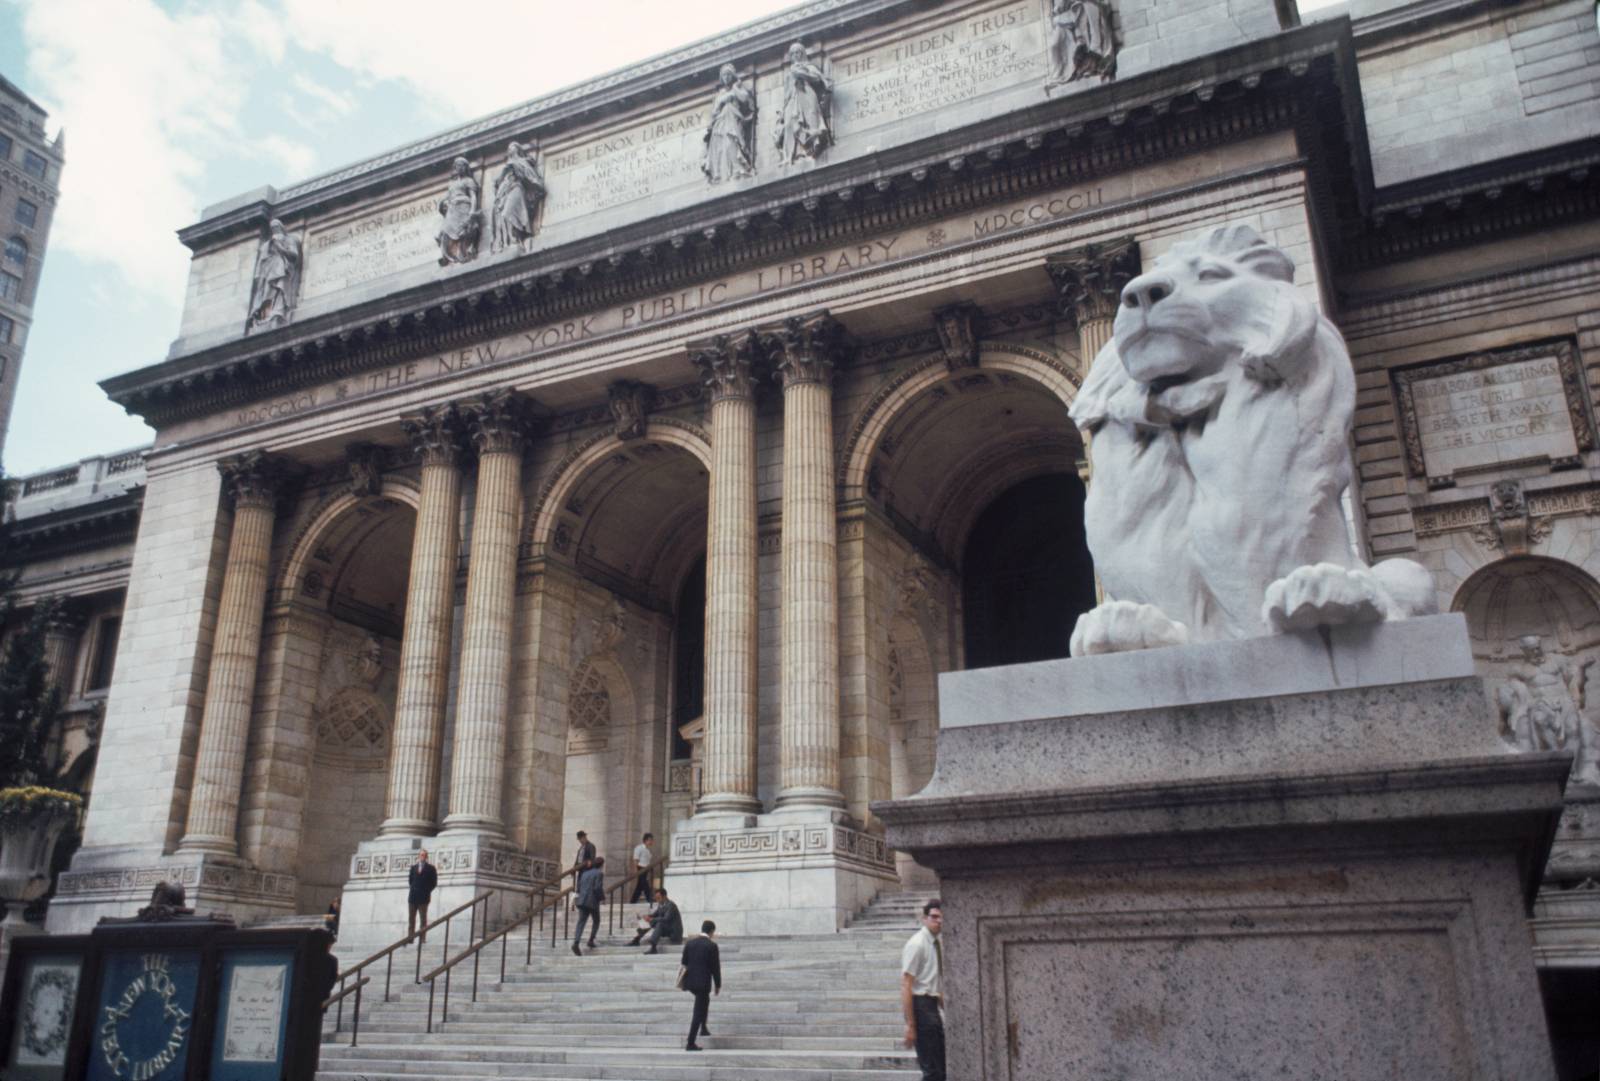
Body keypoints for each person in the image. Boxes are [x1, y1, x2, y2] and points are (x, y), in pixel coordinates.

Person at [900, 899, 945, 1081]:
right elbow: (906, 984)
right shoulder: (917, 944)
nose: (939, 921)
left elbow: (933, 980)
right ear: (924, 918)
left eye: (942, 917)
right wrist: (910, 1025)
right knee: (932, 1071)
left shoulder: (935, 943)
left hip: (932, 1007)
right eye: (934, 917)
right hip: (921, 1007)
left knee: (940, 1069)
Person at [702, 64, 756, 183]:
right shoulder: (719, 94)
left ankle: (738, 169)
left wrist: (735, 89)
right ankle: (724, 174)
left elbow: (745, 98)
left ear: (733, 76)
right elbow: (714, 112)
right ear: (721, 78)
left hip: (734, 119)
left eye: (728, 74)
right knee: (721, 149)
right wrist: (722, 100)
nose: (726, 77)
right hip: (720, 124)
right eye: (724, 75)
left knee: (732, 143)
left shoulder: (737, 88)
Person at [681, 920, 721, 1051]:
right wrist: (718, 984)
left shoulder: (690, 943)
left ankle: (703, 1028)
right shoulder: (711, 946)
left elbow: (684, 962)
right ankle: (690, 1042)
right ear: (711, 932)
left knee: (704, 1002)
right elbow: (715, 968)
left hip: (691, 982)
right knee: (698, 1011)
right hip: (703, 983)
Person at [628, 887, 683, 952]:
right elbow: (654, 915)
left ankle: (653, 947)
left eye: (658, 898)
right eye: (656, 898)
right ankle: (637, 939)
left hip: (674, 932)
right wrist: (645, 917)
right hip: (667, 929)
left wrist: (651, 919)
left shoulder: (671, 905)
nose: (657, 900)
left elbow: (666, 919)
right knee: (650, 922)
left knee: (659, 924)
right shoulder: (661, 905)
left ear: (664, 896)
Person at [573, 855, 605, 955]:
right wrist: (602, 897)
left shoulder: (585, 873)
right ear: (601, 865)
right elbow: (597, 888)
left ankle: (576, 942)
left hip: (582, 900)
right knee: (596, 920)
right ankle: (591, 940)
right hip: (592, 901)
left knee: (581, 922)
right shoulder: (599, 873)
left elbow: (579, 886)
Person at [408, 849, 438, 943]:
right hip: (413, 897)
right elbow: (410, 881)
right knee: (411, 919)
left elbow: (434, 883)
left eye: (424, 855)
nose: (422, 857)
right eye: (421, 855)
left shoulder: (431, 868)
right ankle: (410, 938)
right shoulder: (413, 868)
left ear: (427, 857)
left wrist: (426, 891)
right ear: (418, 856)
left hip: (424, 898)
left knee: (423, 919)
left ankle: (422, 938)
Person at [630, 832, 656, 903]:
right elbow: (636, 859)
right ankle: (649, 899)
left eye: (652, 840)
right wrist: (636, 870)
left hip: (646, 869)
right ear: (645, 840)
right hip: (640, 868)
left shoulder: (648, 850)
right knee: (645, 885)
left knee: (639, 887)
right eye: (650, 840)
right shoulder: (639, 848)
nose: (651, 842)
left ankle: (633, 901)